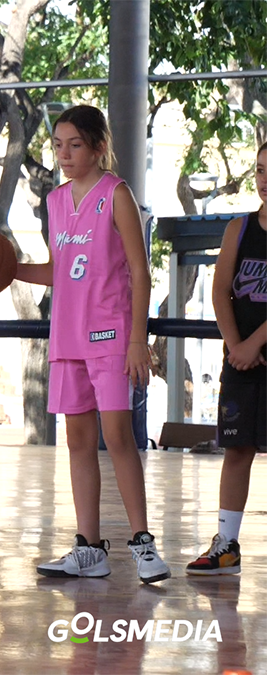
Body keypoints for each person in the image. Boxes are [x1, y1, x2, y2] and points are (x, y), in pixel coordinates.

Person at [16, 105, 170, 584]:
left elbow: (140, 272)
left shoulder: (116, 194)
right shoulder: (55, 201)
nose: (64, 153)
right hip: (66, 336)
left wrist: (137, 340)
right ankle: (89, 548)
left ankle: (143, 544)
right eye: (58, 144)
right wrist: (9, 269)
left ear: (99, 146)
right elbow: (57, 270)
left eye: (74, 144)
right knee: (78, 441)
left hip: (110, 335)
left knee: (119, 438)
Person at [186, 141, 267, 576]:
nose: (265, 179)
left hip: (256, 353)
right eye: (259, 170)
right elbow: (220, 291)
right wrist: (237, 345)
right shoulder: (239, 228)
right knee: (237, 449)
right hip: (240, 362)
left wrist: (255, 343)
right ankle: (227, 544)